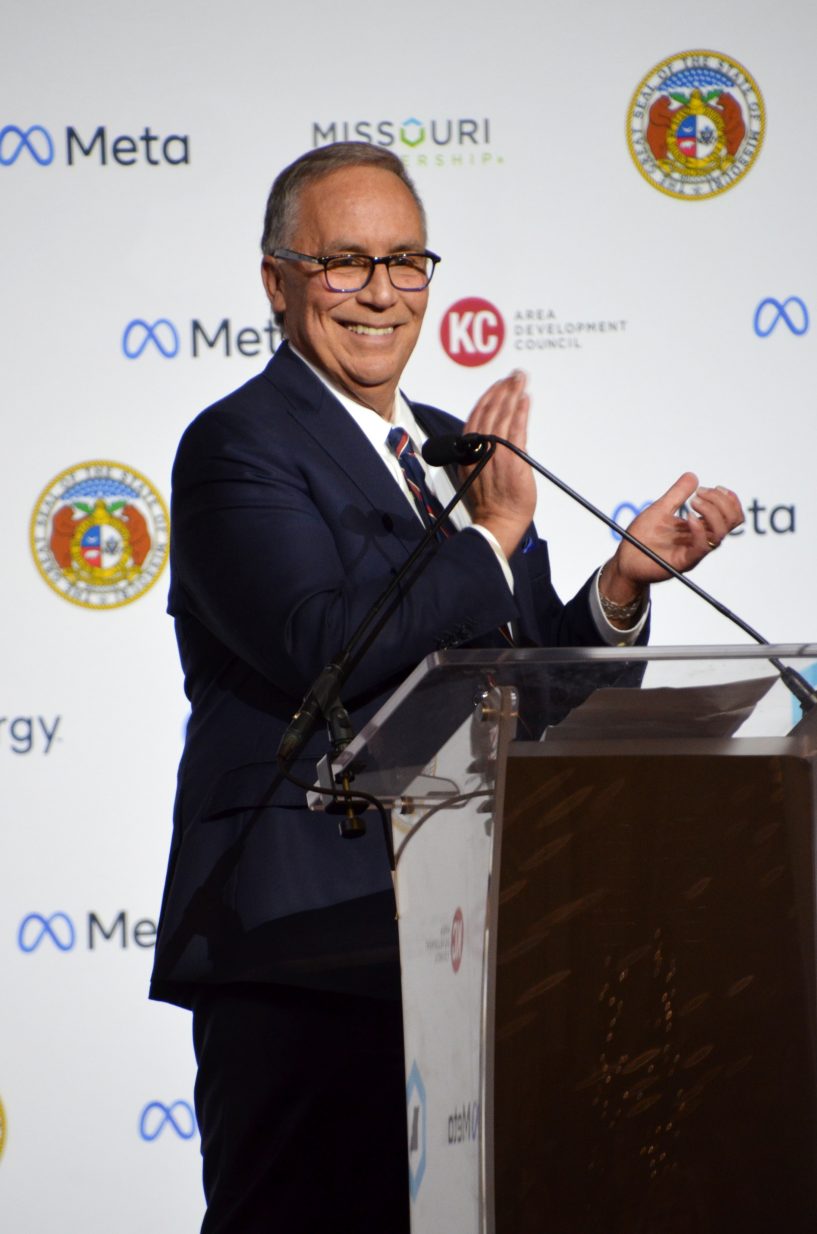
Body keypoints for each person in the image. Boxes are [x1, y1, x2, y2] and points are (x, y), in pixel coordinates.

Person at [150, 142, 744, 1233]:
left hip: (471, 938)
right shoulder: (236, 445)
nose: (381, 292)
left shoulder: (446, 450)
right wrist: (491, 533)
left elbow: (529, 689)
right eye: (345, 261)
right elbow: (320, 647)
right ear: (277, 280)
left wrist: (617, 588)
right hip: (301, 945)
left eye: (405, 261)